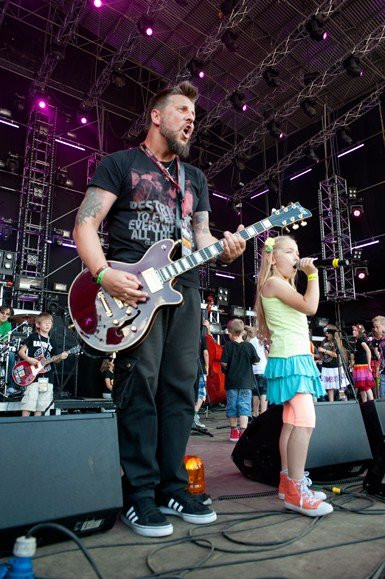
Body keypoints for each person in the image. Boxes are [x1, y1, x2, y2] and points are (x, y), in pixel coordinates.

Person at [72, 80, 246, 538]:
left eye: (195, 114)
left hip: (184, 291)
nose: (192, 119)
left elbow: (202, 239)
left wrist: (225, 249)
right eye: (184, 110)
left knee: (180, 390)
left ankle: (172, 485)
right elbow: (85, 224)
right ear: (157, 115)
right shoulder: (120, 164)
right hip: (133, 291)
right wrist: (102, 273)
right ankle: (140, 494)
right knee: (141, 386)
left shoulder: (197, 180)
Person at [255, 235, 333, 517]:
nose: (296, 257)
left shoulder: (281, 284)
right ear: (273, 258)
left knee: (290, 423)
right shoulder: (274, 283)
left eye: (297, 251)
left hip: (292, 357)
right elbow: (310, 307)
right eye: (289, 251)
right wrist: (312, 277)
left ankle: (288, 482)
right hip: (290, 359)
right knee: (304, 421)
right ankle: (297, 492)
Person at [18, 312, 68, 416]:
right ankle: (23, 427)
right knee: (28, 404)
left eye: (50, 323)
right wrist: (29, 359)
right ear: (38, 325)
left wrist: (60, 357)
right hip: (33, 377)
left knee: (41, 407)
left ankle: (37, 428)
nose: (48, 324)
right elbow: (21, 352)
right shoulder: (33, 337)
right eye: (45, 322)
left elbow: (55, 360)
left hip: (47, 377)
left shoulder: (52, 342)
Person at [221, 318, 258, 442]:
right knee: (245, 406)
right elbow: (256, 361)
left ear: (230, 333)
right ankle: (243, 433)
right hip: (246, 382)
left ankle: (234, 432)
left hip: (231, 382)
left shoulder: (228, 346)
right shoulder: (249, 346)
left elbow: (224, 363)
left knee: (232, 406)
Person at [318, 324, 349, 402]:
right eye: (325, 332)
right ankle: (331, 403)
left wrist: (324, 350)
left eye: (328, 332)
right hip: (327, 367)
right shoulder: (324, 341)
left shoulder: (336, 342)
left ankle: (344, 400)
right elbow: (321, 356)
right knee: (329, 387)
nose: (326, 334)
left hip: (335, 366)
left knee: (340, 385)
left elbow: (336, 355)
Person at [244, 325, 268, 418]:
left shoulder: (248, 342)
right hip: (263, 368)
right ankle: (263, 413)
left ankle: (255, 413)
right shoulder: (261, 341)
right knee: (264, 392)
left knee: (255, 393)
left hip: (253, 370)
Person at [351, 324, 374, 403]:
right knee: (361, 387)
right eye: (353, 330)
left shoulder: (361, 340)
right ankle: (365, 403)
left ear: (359, 332)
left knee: (365, 386)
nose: (353, 332)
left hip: (362, 366)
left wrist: (369, 365)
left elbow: (368, 351)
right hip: (358, 366)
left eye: (355, 330)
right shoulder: (357, 341)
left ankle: (371, 403)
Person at [193, 329, 209, 428]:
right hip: (200, 368)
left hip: (188, 368)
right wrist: (207, 366)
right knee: (201, 393)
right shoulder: (201, 337)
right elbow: (206, 353)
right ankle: (194, 414)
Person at [0, 305, 17, 392]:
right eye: (2, 313)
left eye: (7, 314)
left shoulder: (7, 325)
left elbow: (5, 341)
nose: (4, 315)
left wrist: (7, 342)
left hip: (0, 349)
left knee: (11, 355)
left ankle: (9, 385)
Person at [372, 316, 385, 399]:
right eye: (374, 327)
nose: (375, 329)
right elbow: (381, 357)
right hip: (383, 372)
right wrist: (378, 368)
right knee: (382, 396)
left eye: (377, 327)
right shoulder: (381, 341)